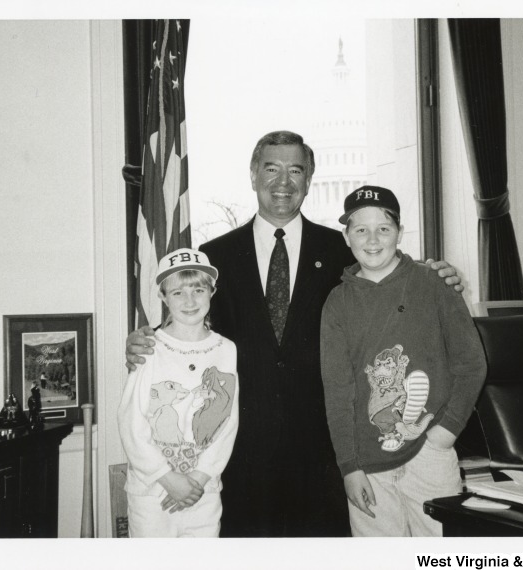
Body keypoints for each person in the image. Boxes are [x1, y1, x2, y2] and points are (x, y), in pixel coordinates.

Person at [125, 130, 463, 537]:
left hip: (325, 450)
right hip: (243, 452)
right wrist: (147, 341)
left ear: (309, 178)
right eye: (271, 168)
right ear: (253, 174)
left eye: (295, 170)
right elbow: (190, 325)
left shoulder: (343, 250)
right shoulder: (215, 255)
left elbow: (393, 285)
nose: (282, 181)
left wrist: (438, 275)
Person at [320, 186, 486, 536]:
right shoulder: (337, 302)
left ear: (399, 232)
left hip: (431, 452)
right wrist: (349, 467)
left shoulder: (434, 283)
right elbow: (337, 391)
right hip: (368, 464)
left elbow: (471, 364)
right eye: (360, 229)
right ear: (346, 236)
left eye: (384, 228)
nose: (373, 238)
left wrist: (444, 433)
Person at [118, 248, 239, 538]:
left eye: (198, 289)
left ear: (212, 291)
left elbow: (227, 423)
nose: (190, 301)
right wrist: (167, 478)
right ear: (162, 296)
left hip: (203, 490)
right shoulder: (149, 347)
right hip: (152, 492)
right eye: (178, 293)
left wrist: (197, 478)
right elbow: (131, 423)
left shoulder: (226, 349)